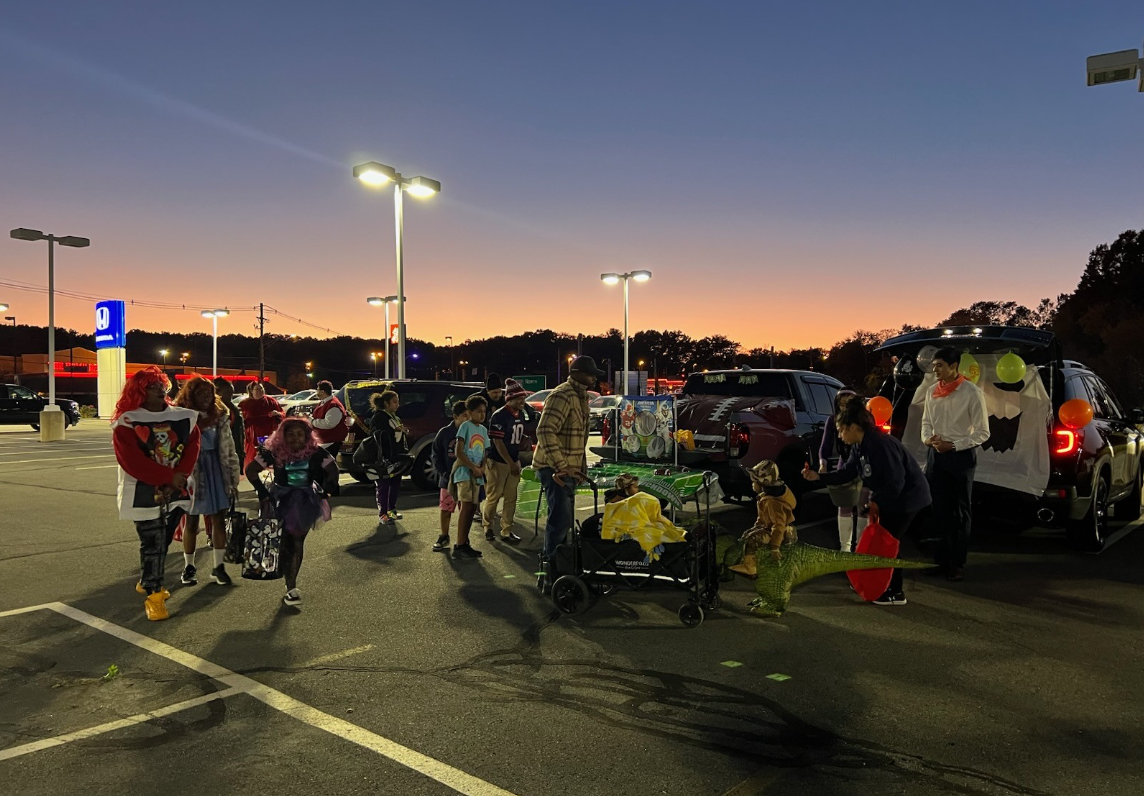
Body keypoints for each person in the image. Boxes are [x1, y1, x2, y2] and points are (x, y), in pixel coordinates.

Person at [802, 399, 931, 606]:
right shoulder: (860, 445)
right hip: (893, 496)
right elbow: (847, 473)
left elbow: (896, 480)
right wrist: (818, 477)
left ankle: (894, 592)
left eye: (842, 431)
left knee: (888, 543)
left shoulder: (879, 444)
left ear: (853, 427)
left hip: (907, 498)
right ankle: (885, 587)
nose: (841, 436)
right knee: (886, 543)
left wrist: (876, 501)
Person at [111, 367, 202, 621]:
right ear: (140, 392)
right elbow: (130, 460)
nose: (160, 391)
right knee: (153, 542)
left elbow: (193, 446)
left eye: (162, 385)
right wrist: (166, 477)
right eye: (153, 387)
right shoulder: (127, 421)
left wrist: (179, 476)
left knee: (161, 540)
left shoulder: (184, 418)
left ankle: (149, 578)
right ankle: (154, 595)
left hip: (178, 490)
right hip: (143, 491)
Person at [245, 417, 339, 606]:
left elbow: (333, 469)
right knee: (284, 541)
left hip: (305, 501)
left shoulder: (316, 452)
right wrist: (263, 493)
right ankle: (287, 574)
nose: (296, 438)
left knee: (296, 541)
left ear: (307, 435)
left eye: (300, 434)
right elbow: (251, 470)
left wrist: (326, 491)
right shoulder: (274, 451)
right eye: (290, 434)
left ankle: (291, 587)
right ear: (282, 435)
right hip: (280, 500)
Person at [921, 346, 990, 582]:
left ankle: (957, 563)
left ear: (953, 366)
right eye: (934, 366)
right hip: (936, 456)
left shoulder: (971, 393)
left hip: (960, 457)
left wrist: (954, 445)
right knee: (938, 510)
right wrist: (928, 439)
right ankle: (941, 561)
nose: (935, 370)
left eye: (940, 365)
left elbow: (982, 432)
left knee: (960, 511)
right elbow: (926, 423)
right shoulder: (931, 391)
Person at [533, 355, 605, 580]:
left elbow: (578, 438)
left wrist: (580, 467)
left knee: (563, 522)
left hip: (567, 470)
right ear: (577, 373)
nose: (594, 378)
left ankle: (563, 569)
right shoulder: (562, 395)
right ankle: (552, 573)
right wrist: (562, 466)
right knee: (560, 522)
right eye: (591, 373)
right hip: (554, 469)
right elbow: (544, 430)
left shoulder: (581, 397)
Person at [174, 376, 241, 586]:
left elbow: (229, 448)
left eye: (209, 393)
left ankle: (218, 567)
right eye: (201, 393)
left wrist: (232, 480)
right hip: (192, 471)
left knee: (219, 520)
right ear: (190, 395)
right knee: (192, 521)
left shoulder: (220, 414)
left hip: (215, 469)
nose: (206, 398)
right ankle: (189, 567)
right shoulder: (180, 416)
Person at [819, 389, 870, 551]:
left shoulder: (865, 420)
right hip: (845, 461)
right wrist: (823, 464)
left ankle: (860, 548)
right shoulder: (833, 420)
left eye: (848, 404)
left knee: (863, 505)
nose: (845, 408)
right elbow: (825, 446)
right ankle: (845, 549)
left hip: (863, 463)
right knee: (844, 504)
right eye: (841, 405)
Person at [482, 378, 528, 545]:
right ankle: (487, 526)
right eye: (519, 398)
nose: (522, 401)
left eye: (523, 398)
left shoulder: (520, 414)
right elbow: (498, 442)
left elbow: (515, 436)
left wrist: (524, 441)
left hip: (513, 459)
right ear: (509, 399)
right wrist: (510, 462)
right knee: (493, 496)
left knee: (511, 497)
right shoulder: (500, 415)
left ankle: (506, 530)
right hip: (498, 461)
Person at [450, 395, 489, 559]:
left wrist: (482, 468)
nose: (482, 415)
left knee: (473, 507)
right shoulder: (465, 426)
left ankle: (465, 542)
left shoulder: (483, 430)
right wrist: (473, 467)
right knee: (466, 507)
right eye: (478, 411)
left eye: (484, 412)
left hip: (477, 473)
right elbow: (459, 451)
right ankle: (459, 545)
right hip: (465, 472)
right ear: (470, 412)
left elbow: (486, 452)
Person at [431, 401, 469, 552]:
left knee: (465, 510)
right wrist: (444, 474)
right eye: (464, 416)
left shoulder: (471, 432)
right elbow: (436, 455)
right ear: (455, 417)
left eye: (469, 415)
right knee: (446, 509)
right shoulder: (445, 433)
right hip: (448, 479)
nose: (467, 419)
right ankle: (444, 535)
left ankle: (463, 538)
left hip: (466, 478)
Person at [368, 390, 409, 525]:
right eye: (395, 402)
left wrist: (403, 431)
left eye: (398, 402)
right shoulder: (379, 417)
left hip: (396, 456)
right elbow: (379, 435)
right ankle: (383, 513)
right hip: (384, 457)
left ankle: (392, 510)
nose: (398, 405)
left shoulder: (394, 417)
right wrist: (395, 431)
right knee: (383, 485)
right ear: (386, 403)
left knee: (396, 483)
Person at [240, 381, 284, 469]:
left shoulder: (271, 401)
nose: (260, 391)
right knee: (252, 463)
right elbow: (241, 420)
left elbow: (282, 414)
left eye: (261, 389)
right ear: (251, 391)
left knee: (269, 462)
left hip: (269, 436)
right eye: (257, 389)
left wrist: (277, 414)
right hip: (251, 439)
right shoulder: (244, 404)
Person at [310, 380, 349, 461]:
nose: (316, 391)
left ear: (322, 392)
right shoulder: (324, 403)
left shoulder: (333, 405)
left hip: (331, 441)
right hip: (324, 440)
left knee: (326, 466)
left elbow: (329, 423)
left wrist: (313, 422)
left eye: (317, 389)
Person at [214, 377, 245, 468]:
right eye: (228, 393)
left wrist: (241, 452)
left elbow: (239, 433)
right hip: (219, 454)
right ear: (218, 393)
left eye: (231, 393)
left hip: (232, 451)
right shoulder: (213, 411)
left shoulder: (234, 410)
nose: (230, 397)